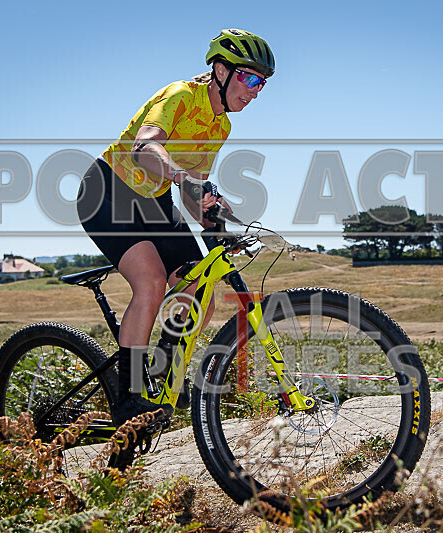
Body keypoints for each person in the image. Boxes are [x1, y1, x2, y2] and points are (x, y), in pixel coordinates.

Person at [76, 29, 275, 427]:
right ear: (221, 71)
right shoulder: (180, 95)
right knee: (151, 282)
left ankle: (162, 371)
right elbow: (145, 147)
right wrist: (183, 177)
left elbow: (193, 191)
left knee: (199, 292)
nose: (255, 91)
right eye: (249, 77)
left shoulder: (221, 127)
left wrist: (219, 223)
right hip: (108, 189)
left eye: (262, 83)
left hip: (154, 199)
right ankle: (130, 395)